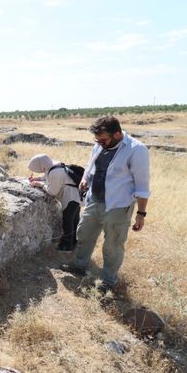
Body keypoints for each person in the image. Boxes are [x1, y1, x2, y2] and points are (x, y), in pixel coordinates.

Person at [60, 116, 150, 293]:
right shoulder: (99, 146)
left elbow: (142, 184)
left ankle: (108, 281)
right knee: (84, 233)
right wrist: (86, 178)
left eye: (103, 140)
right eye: (97, 140)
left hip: (118, 205)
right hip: (95, 200)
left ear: (117, 134)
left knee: (113, 245)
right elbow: (91, 166)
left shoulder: (136, 150)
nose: (99, 143)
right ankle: (79, 266)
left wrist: (141, 213)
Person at [28, 154, 82, 252]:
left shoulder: (55, 172)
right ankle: (73, 243)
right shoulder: (56, 167)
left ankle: (66, 247)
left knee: (68, 222)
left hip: (70, 198)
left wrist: (39, 185)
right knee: (74, 221)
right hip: (76, 197)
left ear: (42, 166)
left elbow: (52, 192)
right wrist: (37, 179)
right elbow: (46, 176)